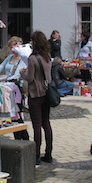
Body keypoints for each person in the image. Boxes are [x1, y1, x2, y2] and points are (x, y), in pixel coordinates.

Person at [21, 30, 53, 164]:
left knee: (37, 125)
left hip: (35, 94)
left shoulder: (32, 58)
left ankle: (36, 155)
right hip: (47, 93)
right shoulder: (47, 56)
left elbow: (30, 77)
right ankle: (49, 153)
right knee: (46, 123)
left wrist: (22, 73)